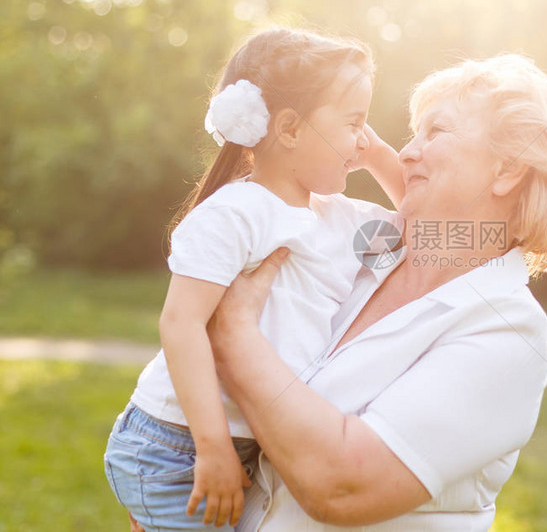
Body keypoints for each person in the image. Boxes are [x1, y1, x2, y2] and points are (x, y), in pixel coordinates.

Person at [179, 53, 547, 531]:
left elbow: (342, 485)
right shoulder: (375, 248)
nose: (408, 152)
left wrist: (233, 335)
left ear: (508, 170)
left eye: (436, 132)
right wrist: (162, 489)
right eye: (412, 135)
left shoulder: (504, 328)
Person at [104, 27, 406, 531]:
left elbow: (429, 231)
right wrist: (213, 447)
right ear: (288, 129)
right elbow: (180, 326)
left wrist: (376, 156)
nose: (362, 137)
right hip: (176, 444)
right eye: (354, 122)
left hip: (246, 447)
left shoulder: (345, 220)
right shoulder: (235, 214)